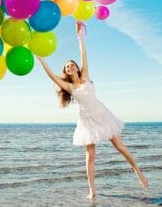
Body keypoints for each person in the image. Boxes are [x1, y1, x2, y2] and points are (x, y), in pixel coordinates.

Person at [37, 21, 148, 200]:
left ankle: (137, 170)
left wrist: (79, 35)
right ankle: (92, 191)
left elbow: (83, 54)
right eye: (67, 66)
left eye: (72, 64)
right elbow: (50, 75)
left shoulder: (86, 76)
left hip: (102, 114)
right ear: (65, 71)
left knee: (120, 146)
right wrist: (40, 57)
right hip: (87, 121)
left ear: (77, 67)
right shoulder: (68, 86)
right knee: (90, 156)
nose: (70, 66)